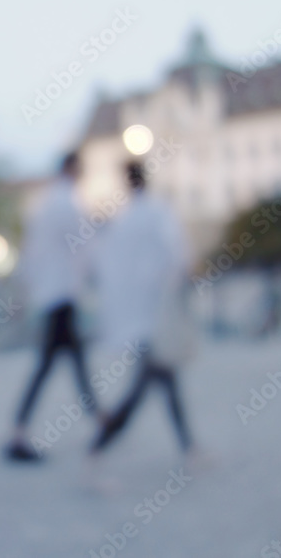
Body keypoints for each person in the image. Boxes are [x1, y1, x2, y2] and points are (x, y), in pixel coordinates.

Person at [88, 161, 199, 464]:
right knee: (145, 387)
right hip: (156, 315)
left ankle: (189, 447)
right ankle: (98, 446)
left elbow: (109, 268)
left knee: (164, 381)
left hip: (142, 318)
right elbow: (177, 254)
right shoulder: (156, 213)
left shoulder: (125, 221)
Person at [4, 152, 101, 462]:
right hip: (62, 294)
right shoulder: (66, 204)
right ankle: (19, 432)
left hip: (52, 294)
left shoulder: (46, 204)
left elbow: (33, 252)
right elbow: (82, 247)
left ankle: (98, 417)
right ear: (72, 169)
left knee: (67, 361)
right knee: (56, 363)